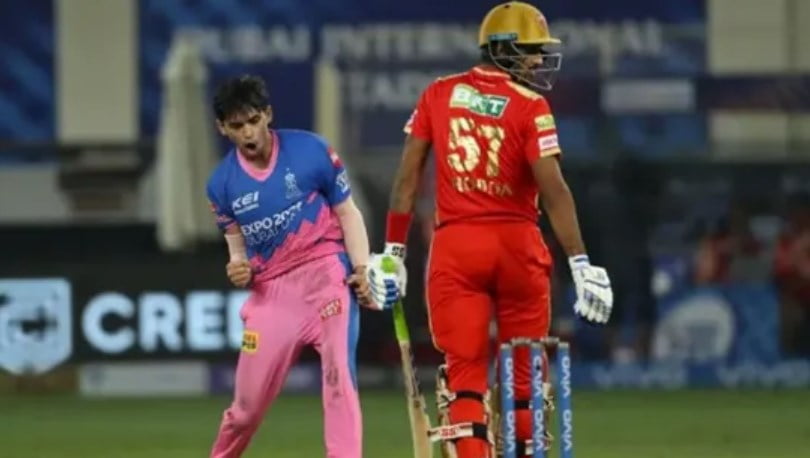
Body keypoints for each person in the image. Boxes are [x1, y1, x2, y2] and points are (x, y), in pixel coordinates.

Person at [366, 2, 613, 457]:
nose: (538, 61)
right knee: (523, 376)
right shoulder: (531, 106)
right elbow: (554, 189)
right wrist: (581, 262)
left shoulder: (438, 94)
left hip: (456, 247)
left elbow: (406, 180)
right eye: (532, 51)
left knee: (465, 376)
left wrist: (393, 253)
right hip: (518, 246)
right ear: (504, 49)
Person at [205, 75, 376, 458]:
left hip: (326, 276)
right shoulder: (221, 185)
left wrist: (362, 268)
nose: (248, 133)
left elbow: (348, 213)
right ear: (223, 128)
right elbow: (236, 250)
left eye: (253, 120)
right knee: (245, 412)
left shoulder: (312, 150)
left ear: (268, 114)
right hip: (272, 295)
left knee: (338, 378)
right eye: (237, 125)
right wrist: (237, 267)